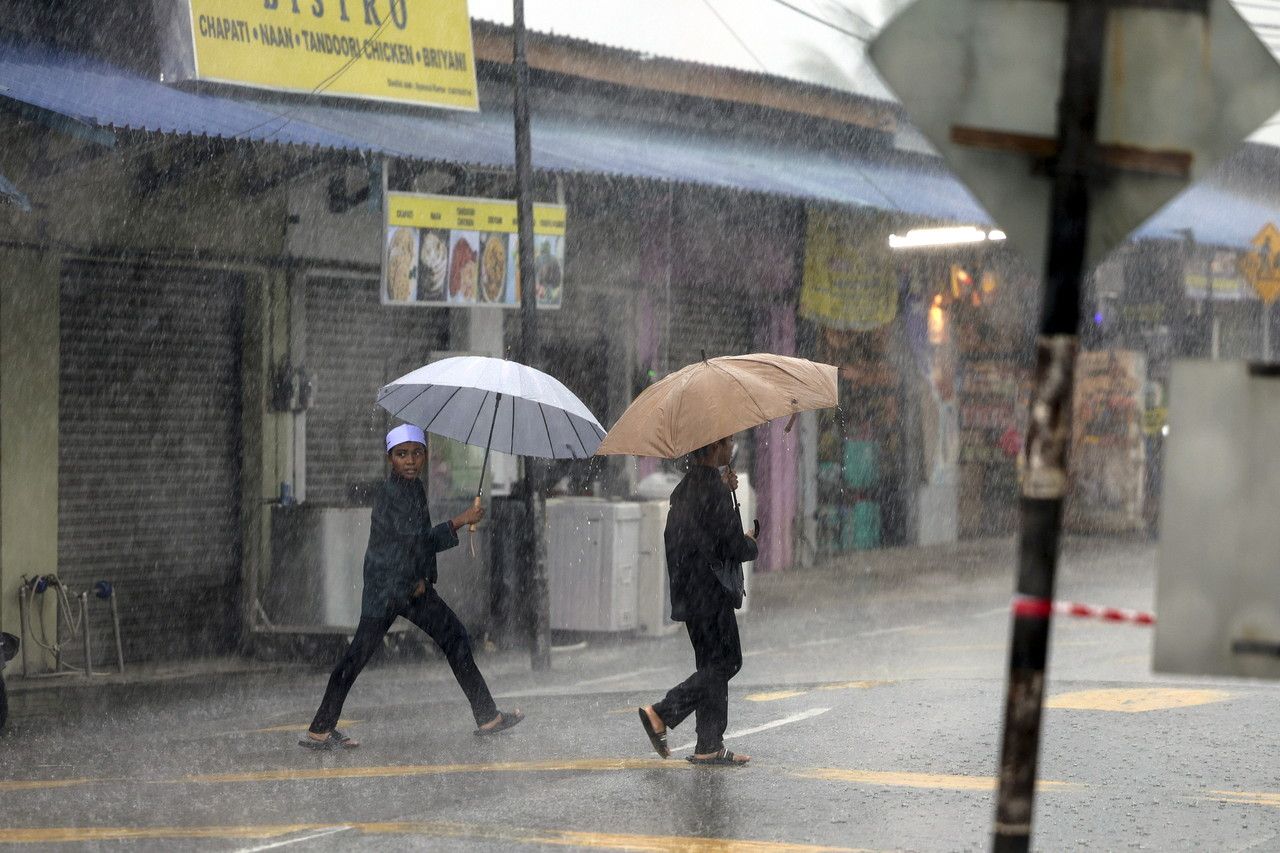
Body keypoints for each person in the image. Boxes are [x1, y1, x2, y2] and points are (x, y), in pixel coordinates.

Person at [302, 424, 523, 749]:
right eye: (401, 454)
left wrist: (420, 577)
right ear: (389, 457)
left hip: (409, 586)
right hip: (389, 589)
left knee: (451, 637)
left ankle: (487, 716)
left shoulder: (414, 488)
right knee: (359, 654)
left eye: (416, 453)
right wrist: (460, 520)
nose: (410, 460)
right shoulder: (392, 494)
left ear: (425, 455)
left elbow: (414, 543)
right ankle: (320, 730)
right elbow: (414, 542)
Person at [638, 435, 758, 766]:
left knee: (710, 666)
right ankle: (661, 713)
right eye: (728, 441)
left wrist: (725, 489)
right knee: (727, 662)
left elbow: (695, 537)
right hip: (711, 592)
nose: (732, 445)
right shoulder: (714, 491)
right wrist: (750, 542)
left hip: (690, 593)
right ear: (714, 446)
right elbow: (731, 546)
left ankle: (708, 744)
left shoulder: (687, 488)